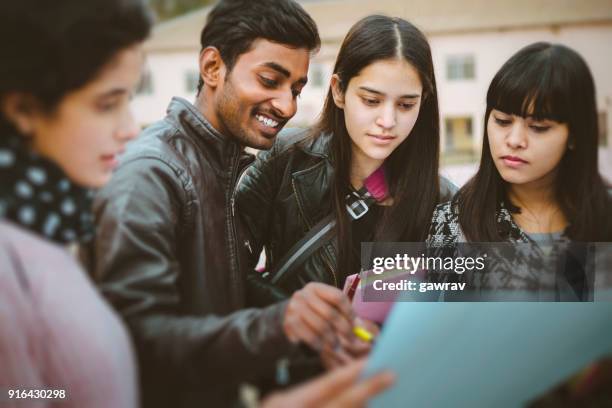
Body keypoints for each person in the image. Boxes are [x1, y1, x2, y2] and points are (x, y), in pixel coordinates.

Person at [83, 1, 370, 406]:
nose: (287, 106)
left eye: (296, 89)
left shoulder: (222, 164)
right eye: (270, 80)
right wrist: (277, 325)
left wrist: (311, 326)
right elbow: (137, 342)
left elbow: (218, 301)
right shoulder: (152, 174)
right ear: (213, 67)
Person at [235, 15, 456, 309]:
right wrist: (290, 312)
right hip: (288, 348)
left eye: (405, 105)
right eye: (371, 100)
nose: (387, 121)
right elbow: (228, 264)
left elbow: (455, 309)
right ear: (339, 91)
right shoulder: (287, 158)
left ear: (423, 102)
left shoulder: (446, 203)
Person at [0, 0, 152, 407]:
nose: (130, 128)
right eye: (107, 104)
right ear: (24, 110)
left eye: (129, 99)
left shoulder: (52, 223)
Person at [428, 42, 612, 252]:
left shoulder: (604, 218)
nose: (514, 140)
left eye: (538, 127)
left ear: (575, 135)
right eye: (502, 121)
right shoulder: (453, 223)